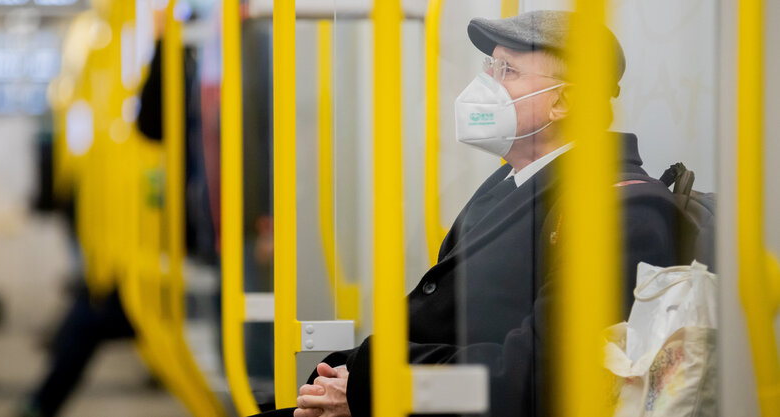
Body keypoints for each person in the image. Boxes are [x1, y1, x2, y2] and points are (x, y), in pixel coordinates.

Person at [273, 10, 688, 417]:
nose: (484, 84)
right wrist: (346, 373)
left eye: (507, 70)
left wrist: (381, 387)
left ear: (563, 100)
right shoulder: (512, 181)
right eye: (489, 66)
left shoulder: (621, 211)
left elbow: (531, 380)